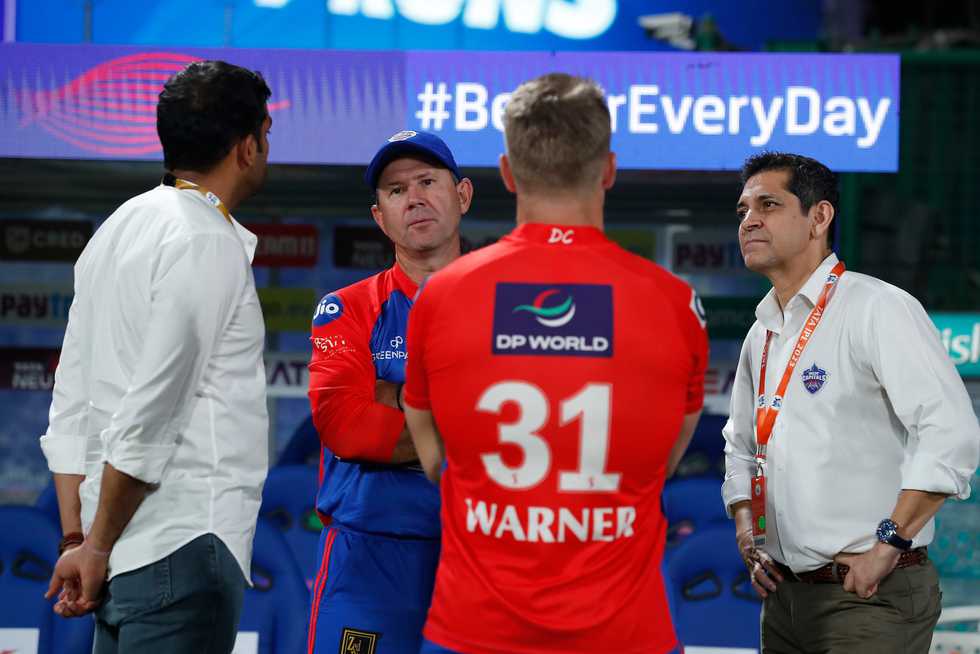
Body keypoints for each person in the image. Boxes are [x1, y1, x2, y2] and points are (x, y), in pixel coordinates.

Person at [403, 72, 708, 653]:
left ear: (508, 172)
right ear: (609, 169)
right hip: (625, 635)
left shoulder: (440, 296)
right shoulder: (675, 304)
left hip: (474, 633)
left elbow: (436, 459)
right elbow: (663, 462)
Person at [39, 60, 272, 653]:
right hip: (181, 544)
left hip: (116, 553)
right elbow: (152, 415)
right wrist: (92, 546)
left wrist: (78, 540)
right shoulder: (205, 240)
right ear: (246, 148)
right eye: (265, 133)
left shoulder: (115, 229)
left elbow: (71, 407)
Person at [722, 152, 980, 653]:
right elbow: (741, 443)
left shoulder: (877, 308)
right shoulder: (763, 332)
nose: (749, 220)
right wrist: (745, 531)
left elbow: (951, 433)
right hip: (784, 597)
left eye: (769, 204)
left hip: (867, 594)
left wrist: (890, 542)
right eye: (743, 210)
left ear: (819, 217)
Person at [306, 130, 473, 654]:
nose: (415, 198)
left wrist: (393, 393)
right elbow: (347, 427)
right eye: (397, 191)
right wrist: (472, 420)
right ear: (380, 217)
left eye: (428, 181)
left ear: (462, 195)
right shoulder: (348, 307)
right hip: (368, 560)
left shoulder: (508, 304)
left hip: (479, 558)